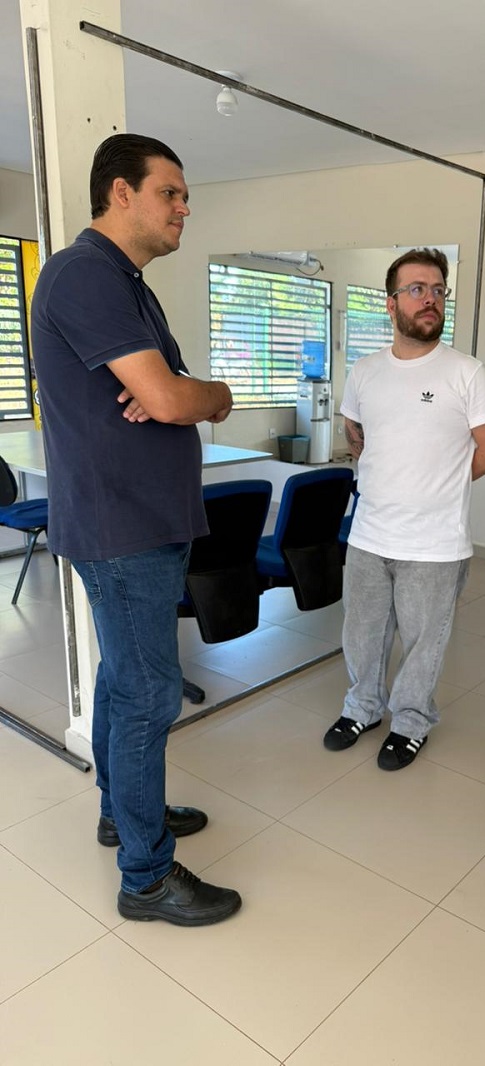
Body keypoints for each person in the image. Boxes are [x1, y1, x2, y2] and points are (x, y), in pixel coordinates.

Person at [31, 134, 241, 926]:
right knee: (150, 692)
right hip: (123, 526)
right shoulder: (85, 274)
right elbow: (169, 397)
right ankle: (146, 877)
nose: (184, 208)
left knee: (124, 680)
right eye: (171, 193)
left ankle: (122, 814)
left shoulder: (125, 281)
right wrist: (209, 395)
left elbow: (164, 393)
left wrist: (176, 393)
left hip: (140, 519)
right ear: (121, 193)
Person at [324, 248, 485, 770]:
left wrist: (439, 484)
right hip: (368, 535)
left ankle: (410, 722)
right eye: (417, 289)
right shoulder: (365, 371)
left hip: (434, 544)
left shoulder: (467, 373)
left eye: (438, 290)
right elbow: (354, 428)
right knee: (361, 635)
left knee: (423, 643)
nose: (430, 299)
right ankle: (362, 708)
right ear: (391, 303)